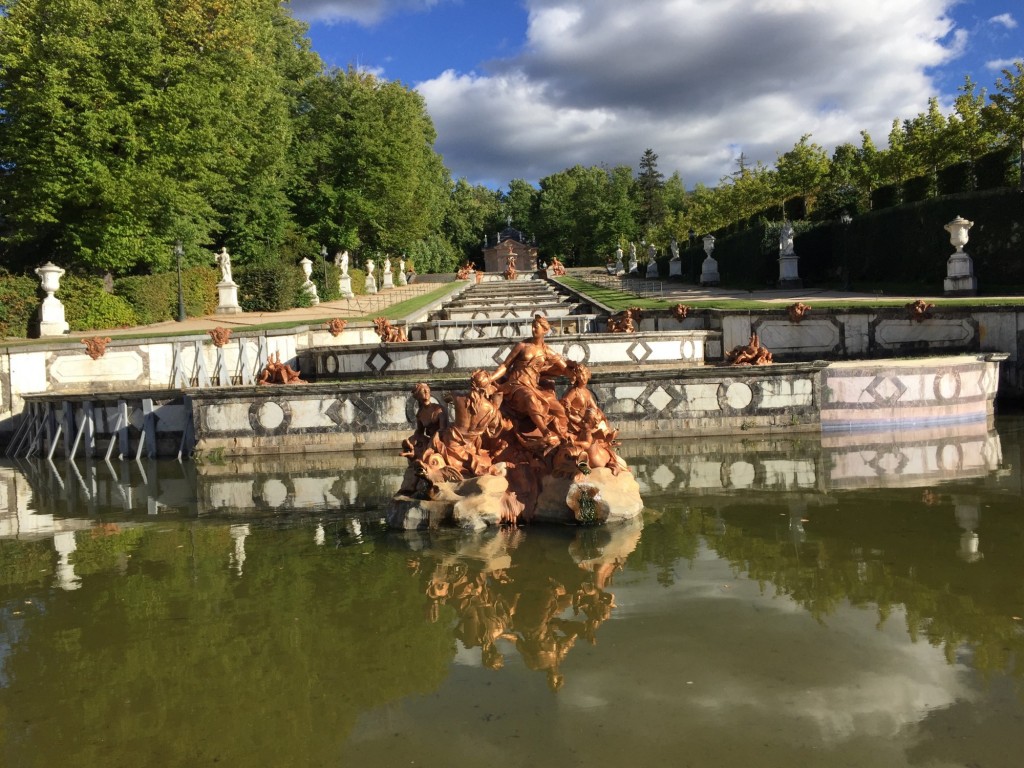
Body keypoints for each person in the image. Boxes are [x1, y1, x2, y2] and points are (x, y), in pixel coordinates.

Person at [486, 314, 572, 443]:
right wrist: (491, 378)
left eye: (536, 327)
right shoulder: (522, 346)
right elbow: (505, 365)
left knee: (558, 408)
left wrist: (576, 374)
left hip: (533, 385)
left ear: (545, 330)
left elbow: (565, 368)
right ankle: (545, 432)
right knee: (529, 397)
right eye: (532, 327)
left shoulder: (547, 351)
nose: (533, 330)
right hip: (515, 384)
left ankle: (563, 435)